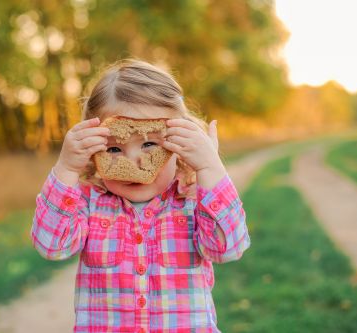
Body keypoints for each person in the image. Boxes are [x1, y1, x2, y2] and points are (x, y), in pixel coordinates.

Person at [31, 59, 250, 332]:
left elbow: (227, 248)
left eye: (149, 144)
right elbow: (51, 246)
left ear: (179, 143)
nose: (134, 163)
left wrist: (210, 167)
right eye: (113, 150)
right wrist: (66, 168)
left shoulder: (194, 201)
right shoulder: (88, 203)